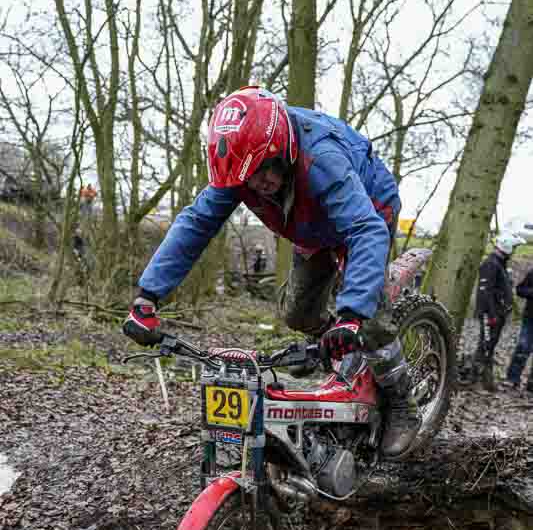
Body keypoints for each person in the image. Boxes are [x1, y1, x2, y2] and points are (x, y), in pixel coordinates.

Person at [123, 86, 421, 458]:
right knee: (297, 312)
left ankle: (402, 402)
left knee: (371, 318)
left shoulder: (322, 157)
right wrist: (148, 295)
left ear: (283, 149)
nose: (255, 186)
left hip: (367, 211)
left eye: (262, 174)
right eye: (246, 180)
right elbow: (196, 222)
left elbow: (364, 229)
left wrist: (352, 314)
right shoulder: (240, 168)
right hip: (310, 223)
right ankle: (344, 352)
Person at [473, 230, 525, 391]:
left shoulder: (500, 264)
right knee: (485, 346)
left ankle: (484, 379)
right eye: (513, 248)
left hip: (498, 312)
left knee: (490, 345)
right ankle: (476, 379)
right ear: (507, 246)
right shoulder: (491, 264)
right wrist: (491, 314)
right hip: (491, 313)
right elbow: (484, 291)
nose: (514, 251)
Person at [505, 266, 533, 394]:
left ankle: (531, 385)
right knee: (523, 346)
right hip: (530, 318)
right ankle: (512, 378)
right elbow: (520, 289)